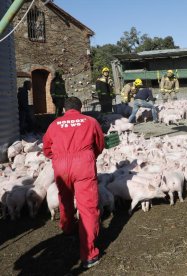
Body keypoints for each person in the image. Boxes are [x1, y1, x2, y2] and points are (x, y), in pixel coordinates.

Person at [42, 97, 104, 269]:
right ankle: (89, 254)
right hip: (83, 165)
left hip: (61, 166)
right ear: (80, 108)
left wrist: (58, 158)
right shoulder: (90, 121)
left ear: (64, 109)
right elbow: (99, 144)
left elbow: (46, 149)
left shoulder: (54, 124)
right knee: (88, 208)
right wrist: (91, 156)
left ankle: (68, 229)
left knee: (65, 199)